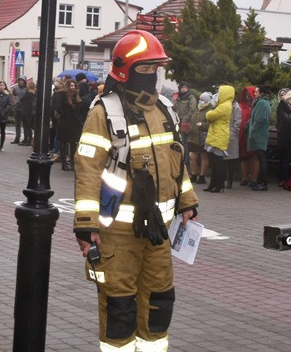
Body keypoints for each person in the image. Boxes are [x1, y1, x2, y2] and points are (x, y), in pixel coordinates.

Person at [73, 30, 198, 351]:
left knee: (159, 302)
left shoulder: (165, 110)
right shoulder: (104, 113)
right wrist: (86, 225)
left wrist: (187, 201)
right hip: (117, 233)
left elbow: (177, 161)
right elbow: (87, 170)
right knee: (120, 308)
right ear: (125, 71)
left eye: (157, 69)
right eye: (146, 69)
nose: (153, 76)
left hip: (158, 232)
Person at [204, 85, 234, 193]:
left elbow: (211, 116)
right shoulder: (224, 105)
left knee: (217, 161)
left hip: (219, 135)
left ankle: (219, 184)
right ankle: (213, 184)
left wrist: (208, 112)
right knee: (214, 161)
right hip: (217, 134)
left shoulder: (224, 106)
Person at [53, 76, 85, 171]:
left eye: (74, 85)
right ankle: (64, 163)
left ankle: (72, 162)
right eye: (71, 85)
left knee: (73, 143)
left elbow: (80, 109)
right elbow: (58, 107)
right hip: (65, 122)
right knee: (64, 142)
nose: (72, 87)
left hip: (75, 123)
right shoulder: (62, 94)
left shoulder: (77, 95)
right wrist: (66, 115)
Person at [247, 87, 271, 191]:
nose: (255, 93)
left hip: (258, 134)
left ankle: (263, 183)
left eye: (257, 92)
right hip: (261, 134)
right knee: (260, 158)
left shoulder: (261, 103)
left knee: (261, 159)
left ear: (261, 93)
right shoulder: (265, 102)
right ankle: (260, 182)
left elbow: (259, 119)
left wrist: (252, 131)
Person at [186, 92, 212, 183]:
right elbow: (192, 120)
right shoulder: (197, 109)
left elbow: (211, 124)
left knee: (204, 156)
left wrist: (203, 125)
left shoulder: (210, 110)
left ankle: (202, 176)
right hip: (193, 136)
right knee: (192, 155)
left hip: (203, 136)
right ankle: (194, 174)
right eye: (200, 99)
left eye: (203, 100)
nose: (200, 101)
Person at [173, 81, 199, 168]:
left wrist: (186, 119)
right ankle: (181, 158)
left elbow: (192, 109)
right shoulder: (179, 98)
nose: (184, 89)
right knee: (179, 141)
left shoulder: (191, 97)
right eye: (182, 88)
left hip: (186, 122)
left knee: (185, 142)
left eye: (185, 88)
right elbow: (175, 108)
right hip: (178, 121)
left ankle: (186, 160)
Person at [10, 76, 28, 144]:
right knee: (17, 123)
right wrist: (14, 103)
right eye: (20, 80)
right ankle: (17, 138)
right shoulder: (15, 88)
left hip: (24, 108)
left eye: (22, 80)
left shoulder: (27, 89)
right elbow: (13, 96)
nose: (21, 82)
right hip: (17, 107)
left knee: (25, 124)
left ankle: (26, 138)